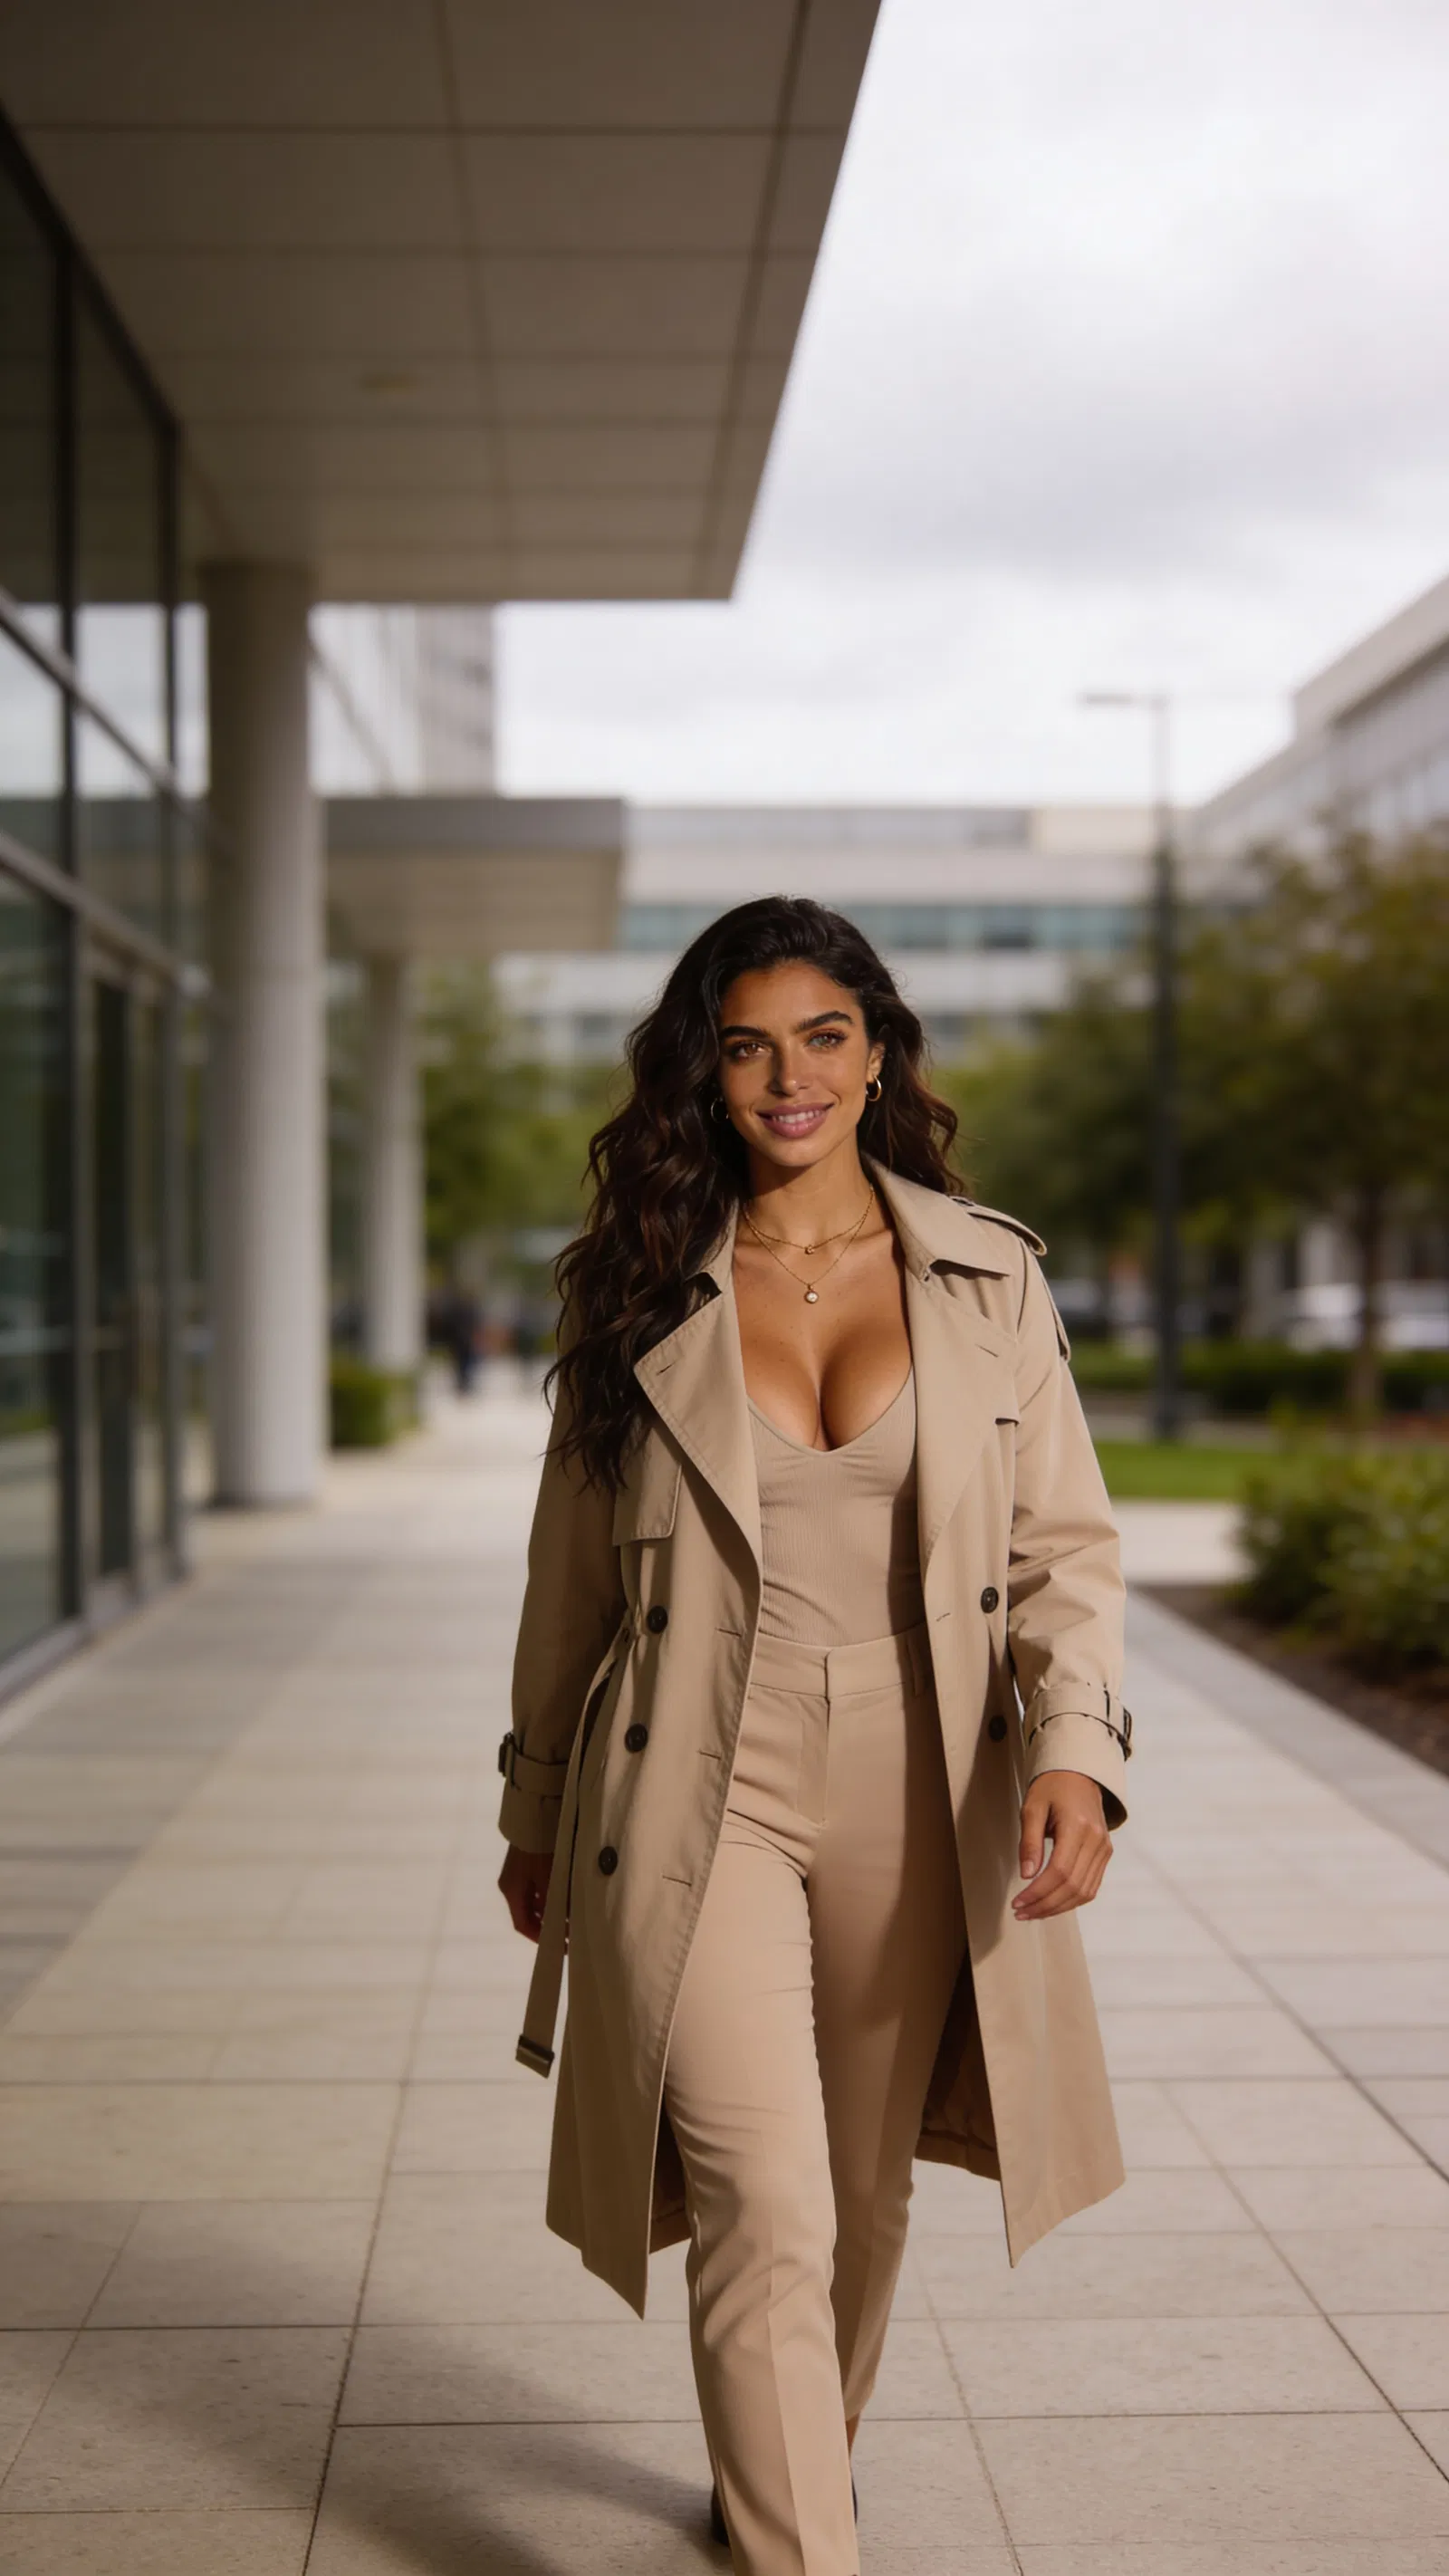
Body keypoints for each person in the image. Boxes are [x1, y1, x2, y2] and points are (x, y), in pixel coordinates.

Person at [497, 898, 1130, 2576]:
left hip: (926, 1777)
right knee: (760, 2197)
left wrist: (1074, 1748)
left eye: (823, 1036)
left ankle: (783, 2483)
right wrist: (538, 1805)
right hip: (696, 1768)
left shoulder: (988, 1275)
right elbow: (569, 1591)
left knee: (857, 2199)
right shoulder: (637, 1294)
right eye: (746, 1042)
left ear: (876, 1051)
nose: (789, 1077)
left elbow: (1063, 1545)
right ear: (700, 1074)